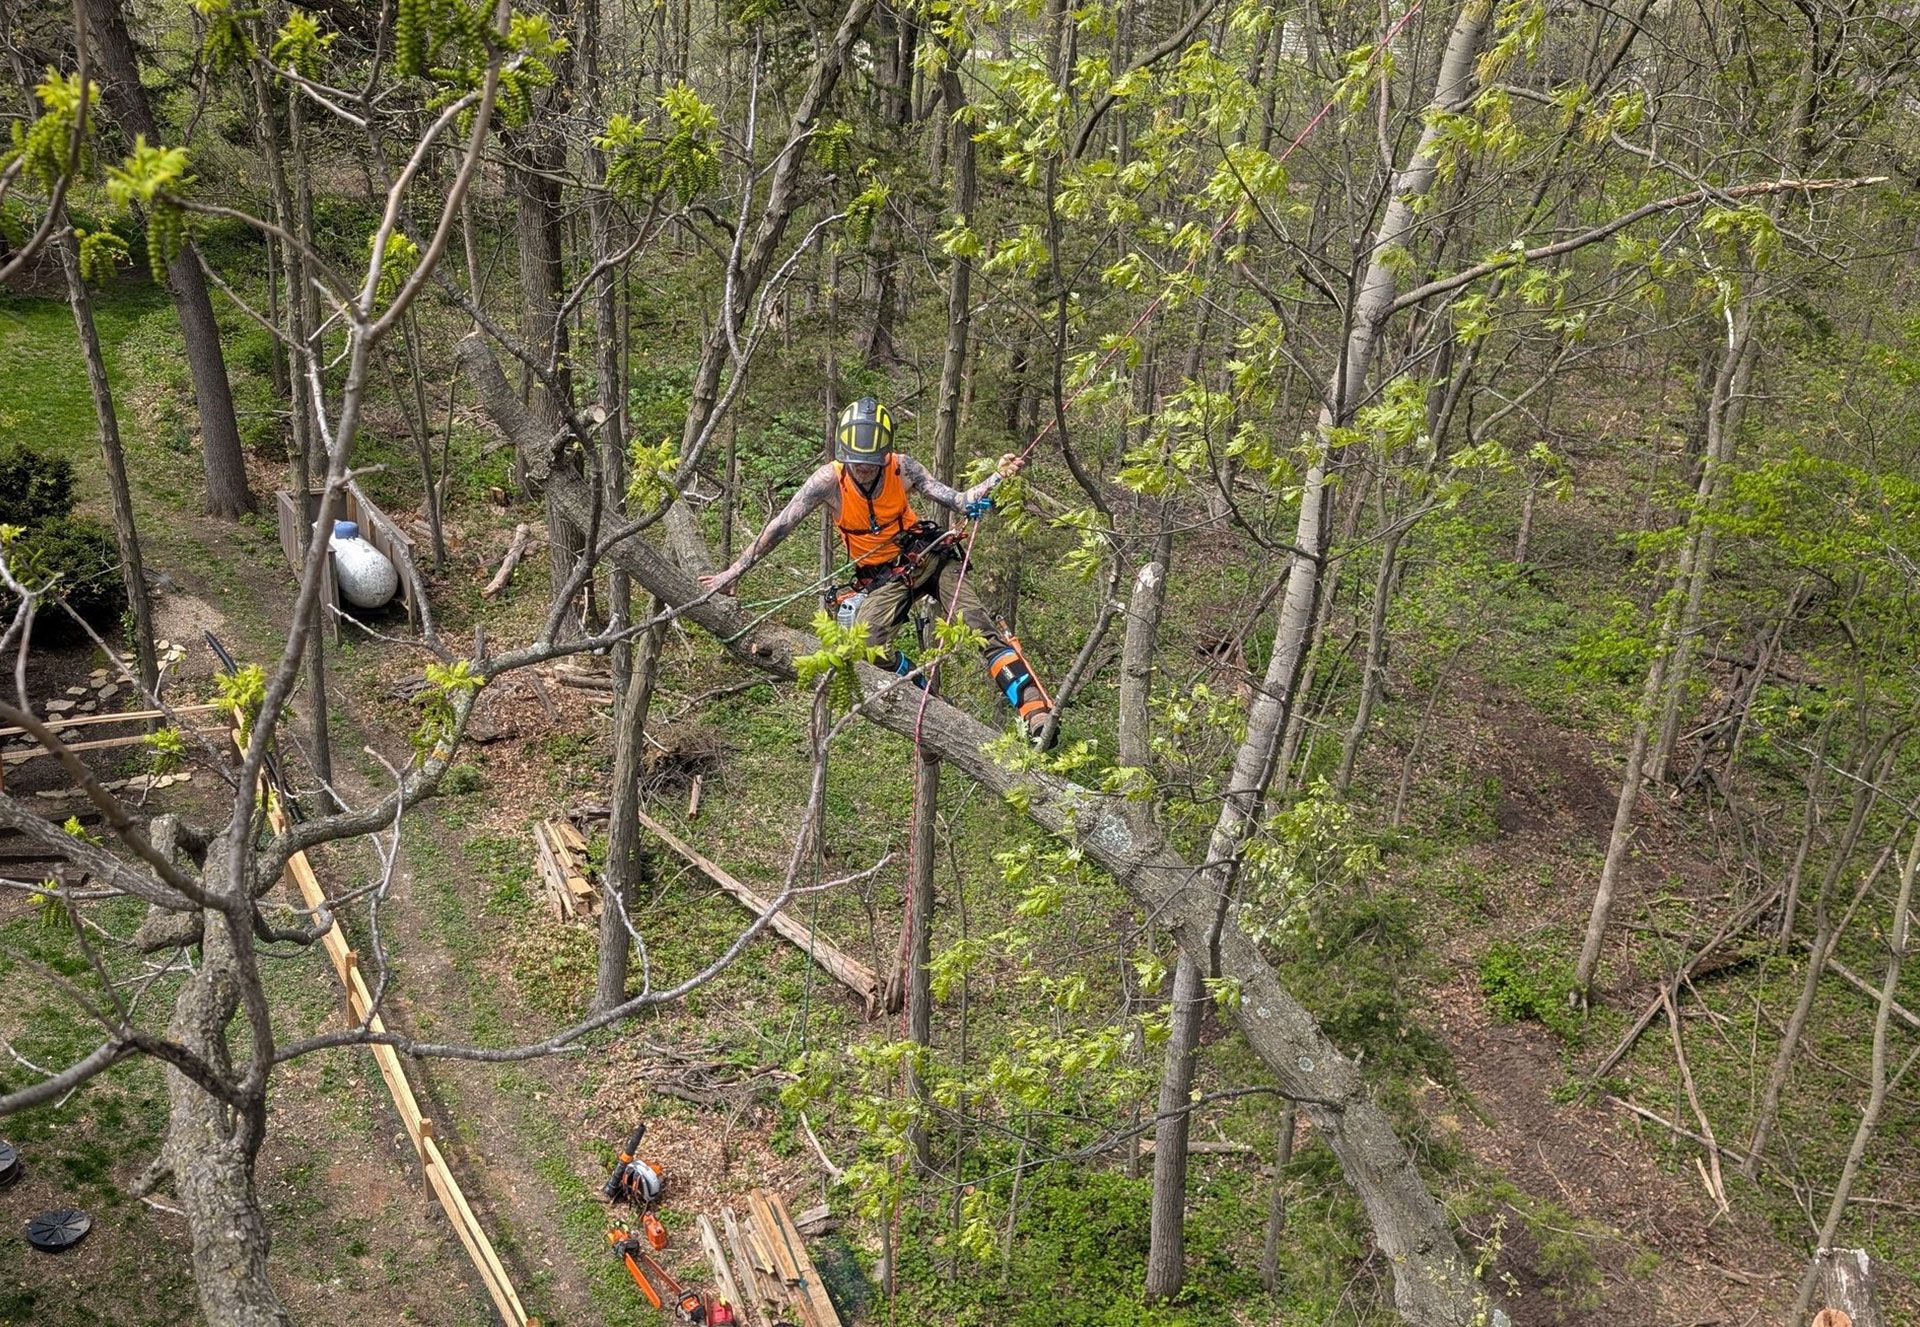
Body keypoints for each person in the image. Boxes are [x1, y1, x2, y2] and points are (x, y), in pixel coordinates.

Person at [701, 396, 1055, 746]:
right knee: (866, 646)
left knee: (976, 623)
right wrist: (733, 573)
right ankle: (926, 697)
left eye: (872, 463)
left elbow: (960, 501)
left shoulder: (903, 468)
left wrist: (995, 478)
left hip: (929, 557)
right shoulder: (828, 482)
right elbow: (778, 527)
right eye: (857, 462)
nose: (865, 469)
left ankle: (1034, 711)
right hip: (886, 578)